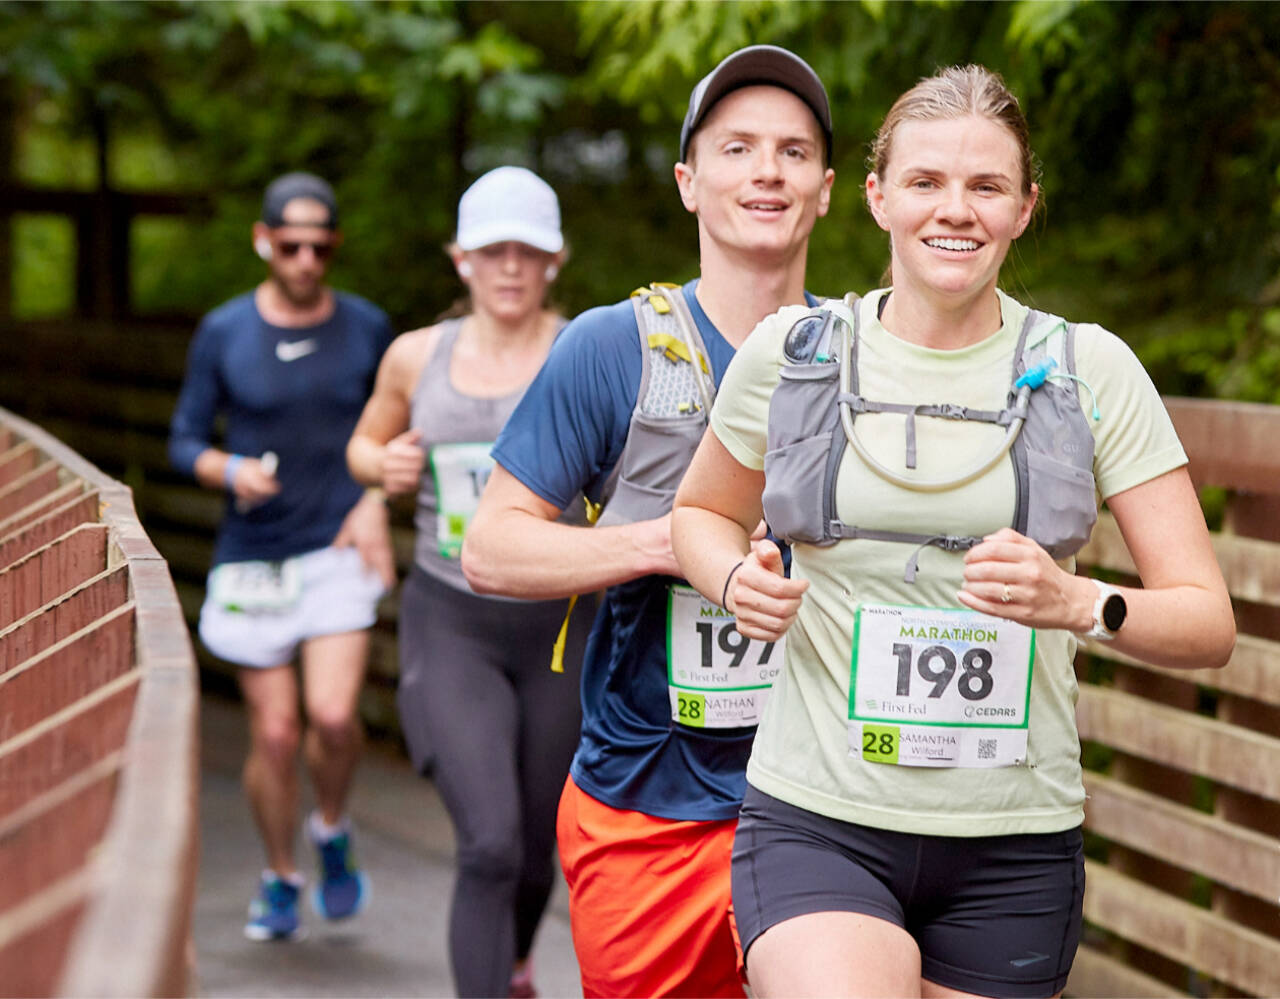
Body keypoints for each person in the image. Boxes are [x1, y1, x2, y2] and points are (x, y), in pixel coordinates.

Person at [670, 64, 1237, 999]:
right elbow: (701, 514)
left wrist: (1078, 601)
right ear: (875, 197)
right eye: (927, 182)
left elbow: (1208, 622)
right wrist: (735, 582)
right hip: (822, 815)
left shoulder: (1084, 368)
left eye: (987, 187)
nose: (956, 210)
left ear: (1024, 208)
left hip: (1013, 838)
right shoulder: (797, 354)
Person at [461, 47, 835, 998]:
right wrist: (672, 544)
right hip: (652, 805)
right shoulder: (611, 348)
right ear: (688, 181)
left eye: (793, 153)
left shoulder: (867, 355)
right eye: (737, 147)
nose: (766, 171)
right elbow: (490, 546)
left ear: (828, 191)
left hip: (830, 805)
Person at [346, 166, 591, 999]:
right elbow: (363, 445)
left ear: (556, 259)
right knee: (487, 842)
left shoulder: (584, 350)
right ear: (462, 259)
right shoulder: (418, 355)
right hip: (453, 619)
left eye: (529, 251)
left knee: (531, 843)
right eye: (493, 251)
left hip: (560, 627)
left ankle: (516, 964)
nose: (511, 267)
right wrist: (385, 465)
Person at [169, 172, 395, 942]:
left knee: (331, 718)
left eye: (320, 245)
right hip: (254, 553)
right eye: (291, 243)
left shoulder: (367, 327)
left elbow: (398, 432)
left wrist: (373, 503)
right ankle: (279, 873)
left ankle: (330, 829)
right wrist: (229, 471)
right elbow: (184, 438)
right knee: (272, 732)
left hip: (335, 545)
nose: (306, 258)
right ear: (264, 241)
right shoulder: (225, 332)